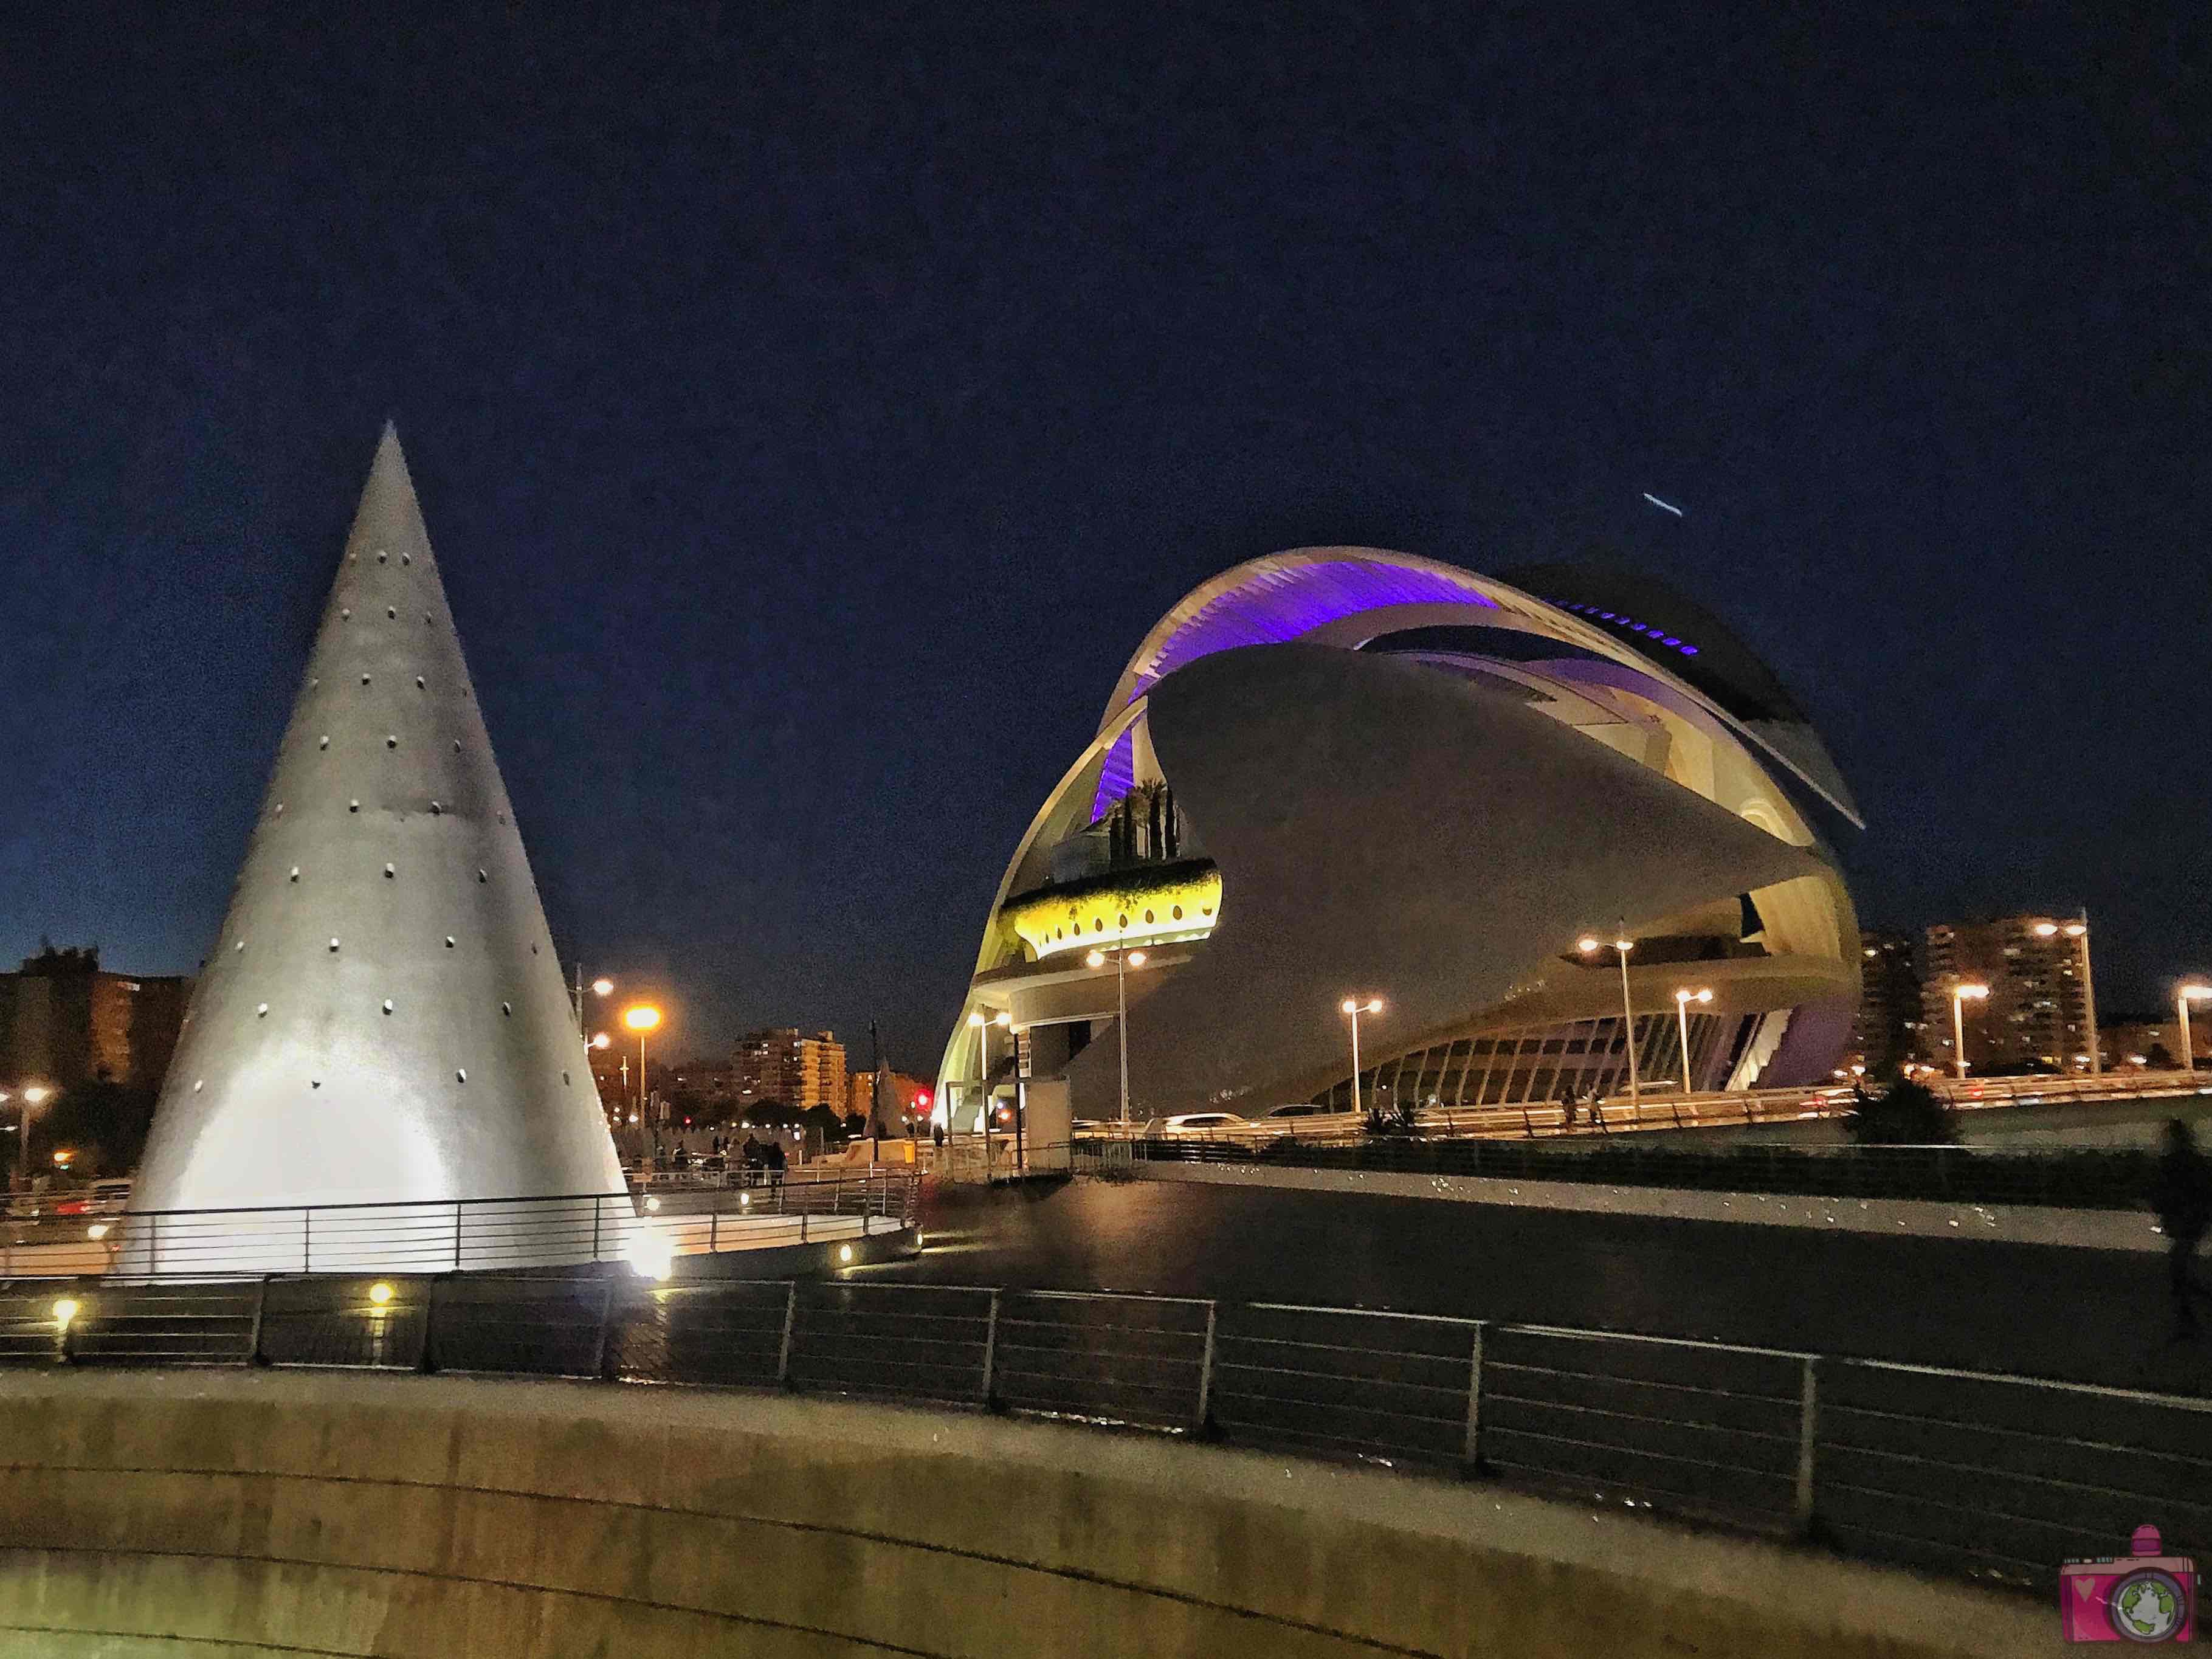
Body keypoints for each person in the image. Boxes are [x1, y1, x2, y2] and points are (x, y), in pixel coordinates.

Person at [2151, 1119, 2212, 1339]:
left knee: (2178, 1270)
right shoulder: (2197, 1161)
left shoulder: (2171, 1163)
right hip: (2194, 1223)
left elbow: (2162, 1194)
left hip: (2183, 1223)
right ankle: (2193, 1312)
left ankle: (2188, 1322)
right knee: (2181, 1268)